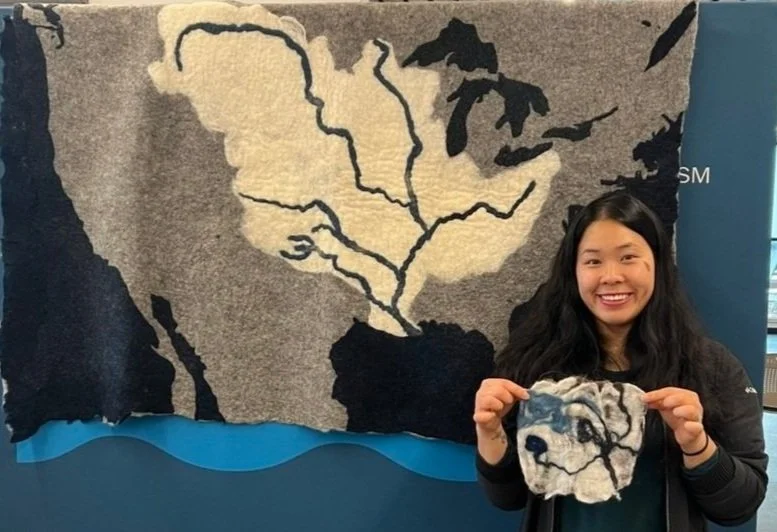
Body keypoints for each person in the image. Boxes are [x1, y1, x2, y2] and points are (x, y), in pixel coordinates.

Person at [473, 191, 768, 531]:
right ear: (573, 272)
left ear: (657, 263)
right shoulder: (533, 364)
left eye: (628, 257)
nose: (611, 276)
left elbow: (741, 506)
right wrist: (490, 432)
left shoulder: (710, 366)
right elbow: (508, 497)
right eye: (593, 261)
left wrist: (697, 446)